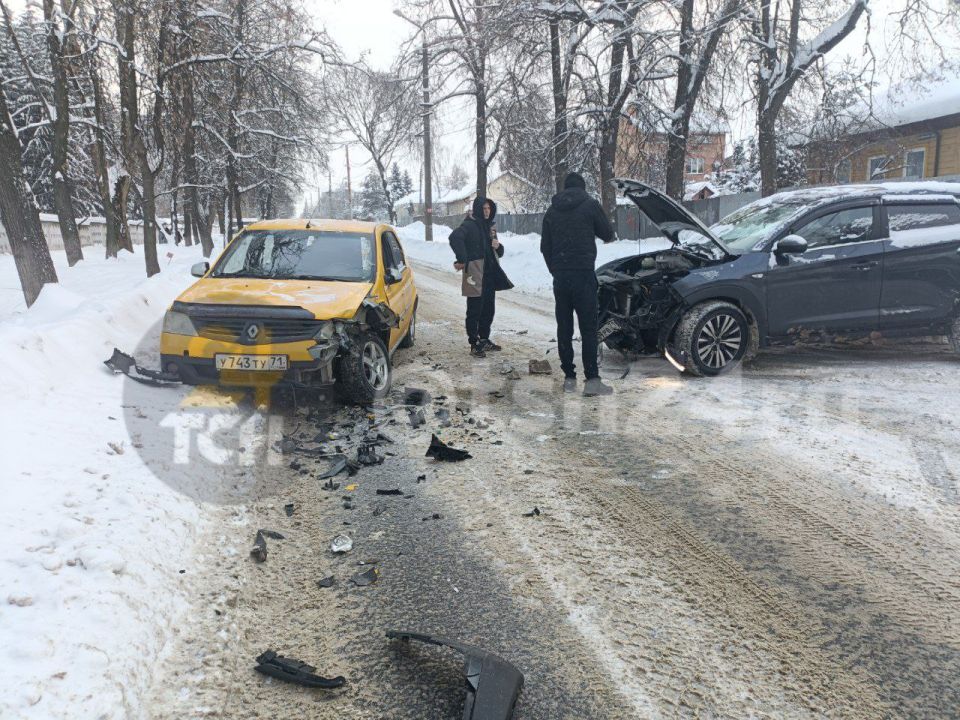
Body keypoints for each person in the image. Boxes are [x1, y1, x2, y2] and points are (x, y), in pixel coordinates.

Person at [540, 172, 616, 396]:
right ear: (582, 188)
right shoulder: (590, 205)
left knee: (564, 327)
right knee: (589, 329)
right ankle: (592, 380)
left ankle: (569, 378)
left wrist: (556, 269)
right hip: (583, 275)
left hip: (561, 278)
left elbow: (545, 247)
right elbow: (607, 234)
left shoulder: (552, 211)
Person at [448, 197, 514, 357]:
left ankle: (484, 339)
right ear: (478, 209)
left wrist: (499, 247)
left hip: (490, 274)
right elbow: (454, 238)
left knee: (488, 309)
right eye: (484, 209)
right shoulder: (469, 225)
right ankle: (474, 343)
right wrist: (463, 259)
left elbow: (498, 251)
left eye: (489, 209)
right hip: (475, 272)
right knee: (474, 309)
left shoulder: (490, 227)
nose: (487, 211)